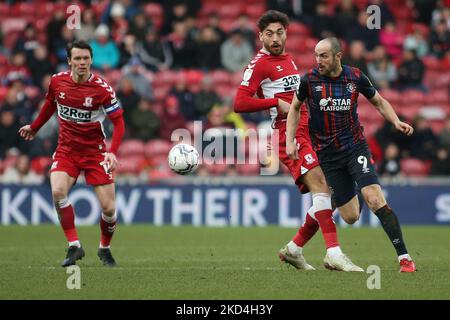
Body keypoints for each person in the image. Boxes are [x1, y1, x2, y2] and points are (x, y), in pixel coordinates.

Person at [234, 10, 362, 272]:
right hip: (289, 133)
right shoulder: (260, 63)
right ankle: (333, 252)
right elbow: (239, 102)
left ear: (286, 33)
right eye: (269, 33)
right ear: (260, 36)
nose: (275, 38)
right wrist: (274, 103)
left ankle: (294, 249)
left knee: (332, 195)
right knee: (322, 186)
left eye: (279, 32)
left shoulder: (287, 59)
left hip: (311, 130)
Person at [286, 37, 416, 272]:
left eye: (323, 55)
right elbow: (294, 108)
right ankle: (348, 191)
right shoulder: (309, 80)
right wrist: (289, 141)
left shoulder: (355, 77)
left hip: (355, 147)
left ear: (338, 56)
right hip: (328, 156)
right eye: (316, 55)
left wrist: (396, 121)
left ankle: (405, 259)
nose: (318, 61)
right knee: (351, 216)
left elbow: (378, 101)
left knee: (375, 199)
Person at [18, 40, 125, 268]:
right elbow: (49, 104)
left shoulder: (102, 89)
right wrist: (34, 127)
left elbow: (119, 122)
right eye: (77, 58)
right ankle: (74, 245)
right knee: (57, 190)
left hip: (95, 153)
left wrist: (112, 153)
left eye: (86, 58)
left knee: (109, 208)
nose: (82, 62)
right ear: (69, 61)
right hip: (67, 150)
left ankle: (104, 249)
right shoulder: (58, 82)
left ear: (91, 60)